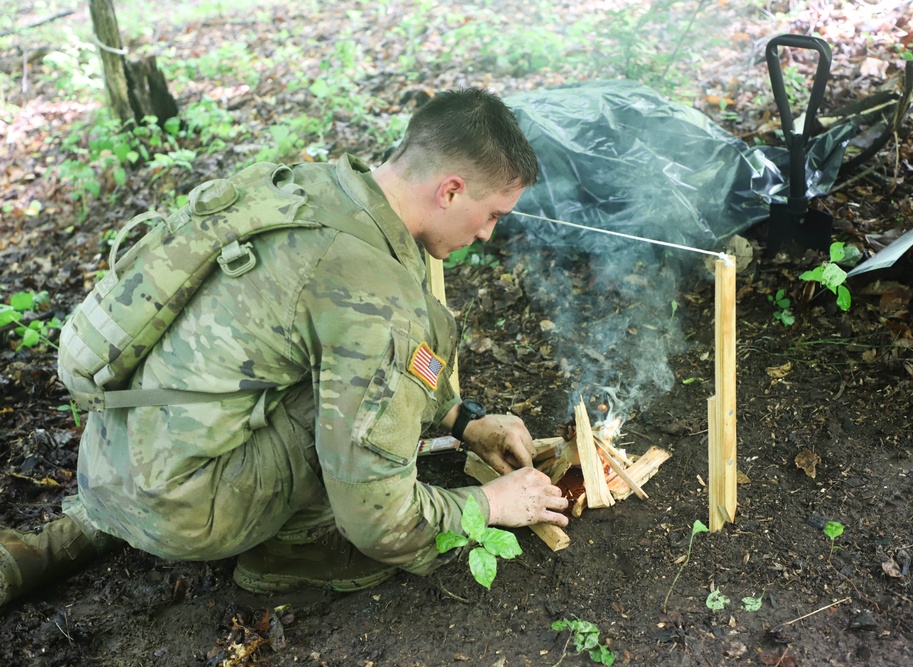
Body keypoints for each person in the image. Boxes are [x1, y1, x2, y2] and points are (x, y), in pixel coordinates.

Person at [0, 88, 569, 606]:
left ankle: (55, 545)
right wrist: (491, 505)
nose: (488, 234)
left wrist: (465, 420)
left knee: (347, 374)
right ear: (450, 189)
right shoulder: (371, 292)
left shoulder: (303, 186)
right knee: (357, 410)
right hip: (187, 508)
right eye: (493, 214)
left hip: (113, 457)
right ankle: (298, 552)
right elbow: (382, 520)